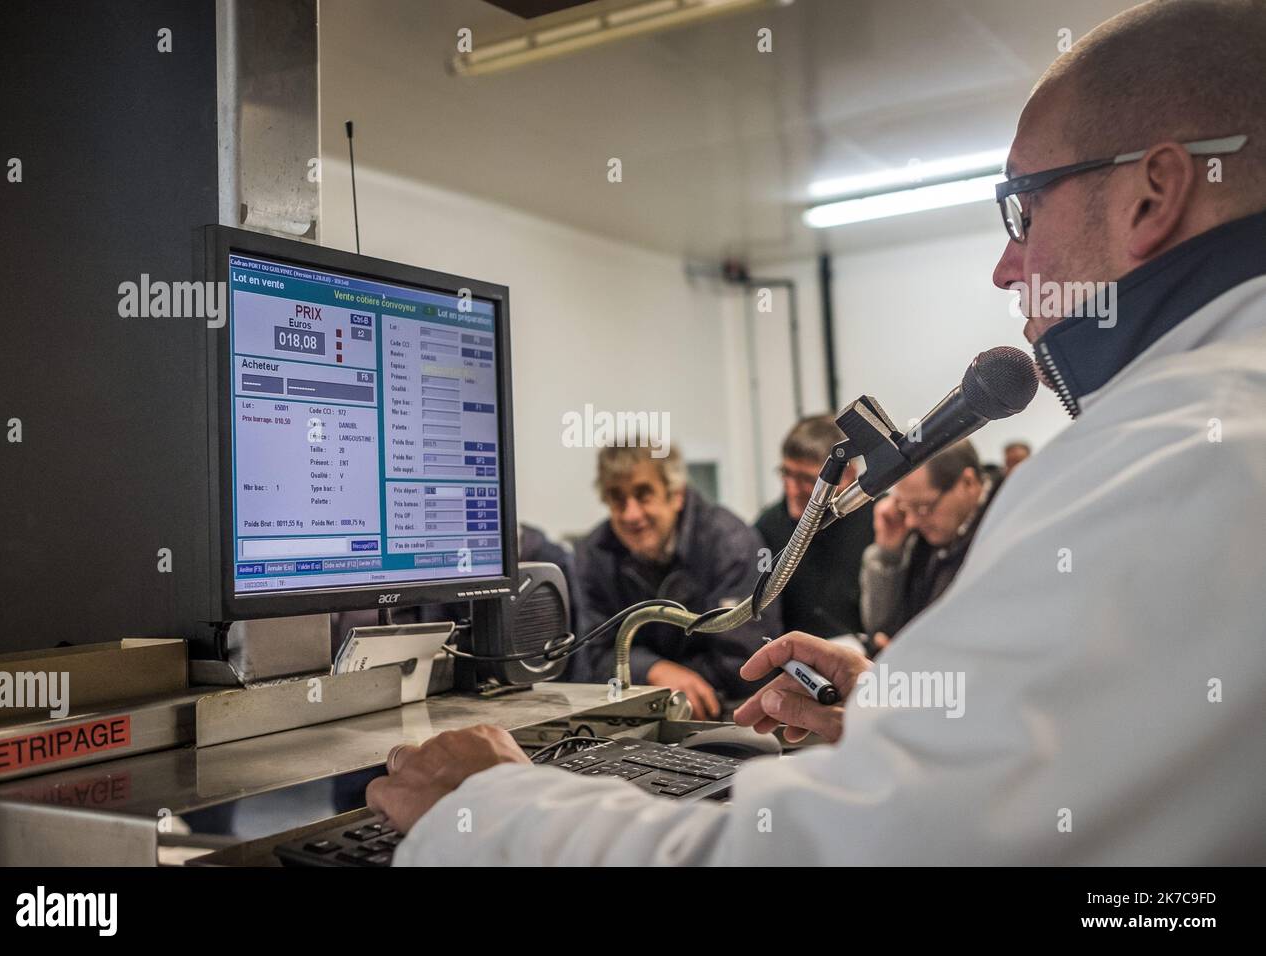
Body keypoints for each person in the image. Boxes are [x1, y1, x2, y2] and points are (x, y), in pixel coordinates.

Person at [367, 0, 1266, 864]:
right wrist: (902, 727)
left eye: (1023, 209)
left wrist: (484, 807)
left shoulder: (1178, 449)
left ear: (1155, 195)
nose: (1006, 266)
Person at [563, 442, 779, 719]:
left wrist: (668, 681)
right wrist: (655, 670)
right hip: (639, 714)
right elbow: (592, 656)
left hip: (729, 713)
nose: (631, 514)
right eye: (617, 498)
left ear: (676, 495)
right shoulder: (593, 554)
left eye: (643, 495)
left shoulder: (731, 544)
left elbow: (747, 661)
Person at [859, 440, 997, 651]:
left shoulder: (1006, 526)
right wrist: (888, 554)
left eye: (923, 507)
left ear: (968, 482)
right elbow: (879, 628)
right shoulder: (918, 532)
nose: (912, 521)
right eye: (906, 507)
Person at [755, 415, 874, 639]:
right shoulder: (767, 527)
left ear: (848, 474)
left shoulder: (881, 519)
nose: (792, 490)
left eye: (806, 479)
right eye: (786, 474)